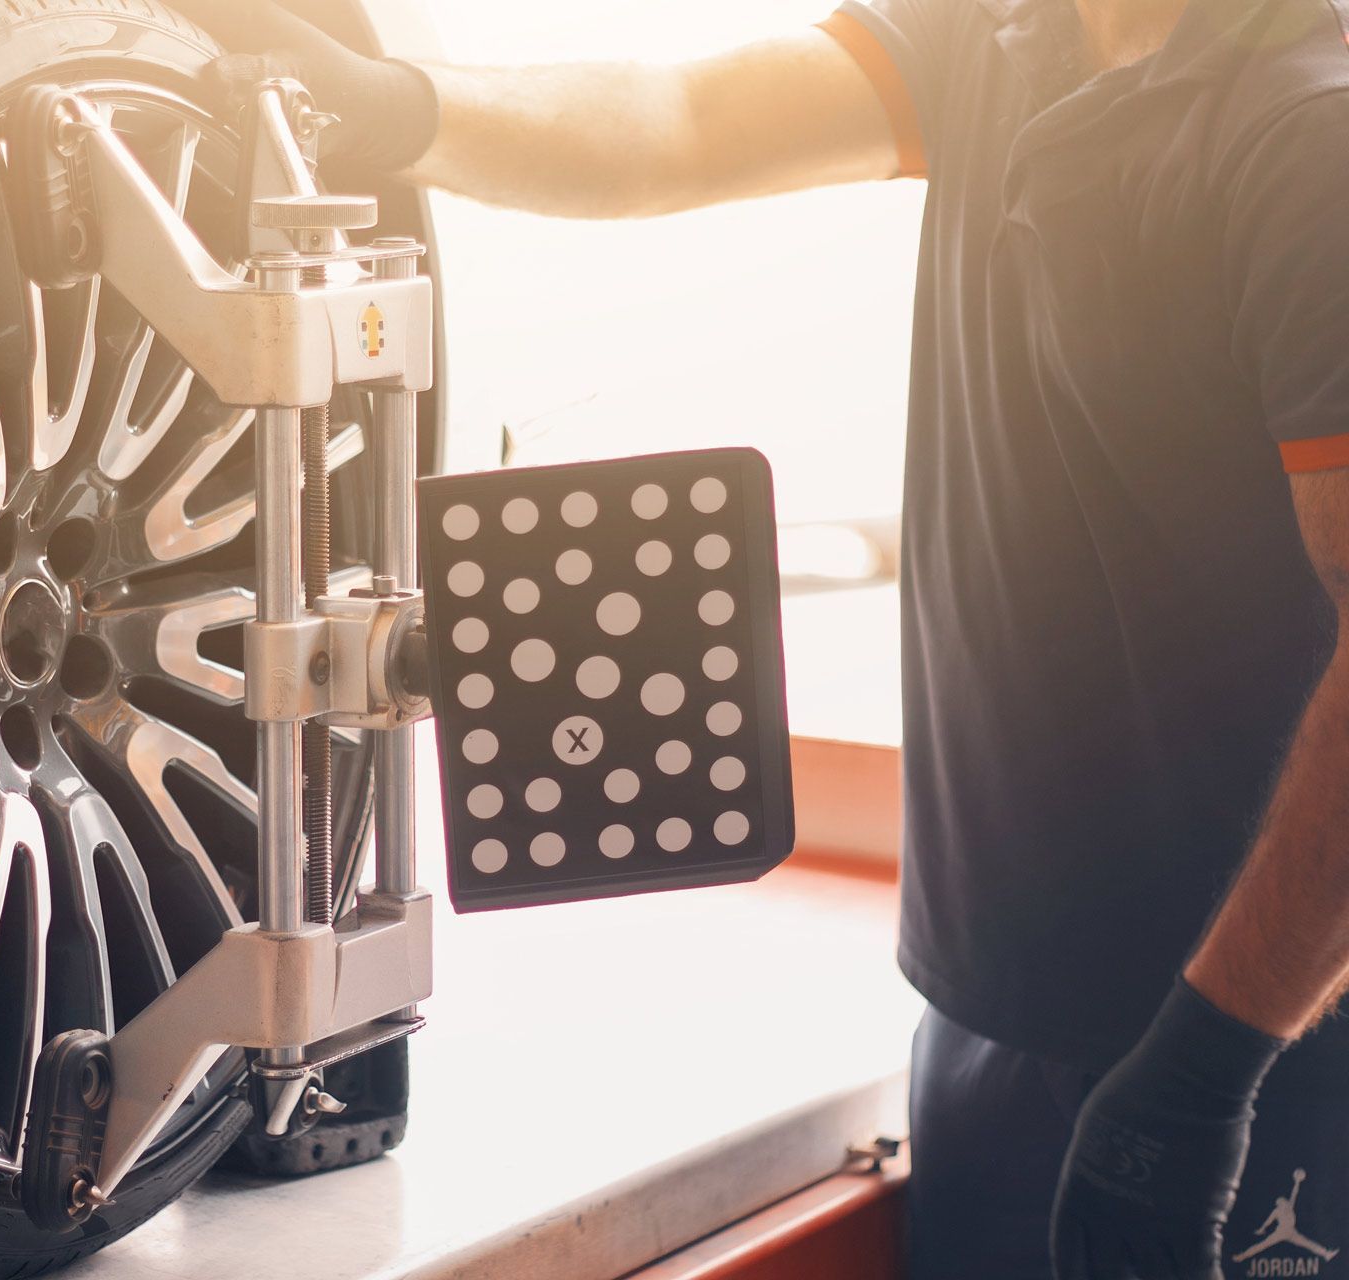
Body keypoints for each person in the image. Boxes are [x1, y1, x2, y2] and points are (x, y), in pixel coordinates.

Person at [179, 0, 1349, 1275]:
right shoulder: (1002, 36)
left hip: (1257, 1048)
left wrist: (1207, 1069)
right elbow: (681, 123)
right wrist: (403, 110)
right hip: (989, 1023)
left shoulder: (1307, 131)